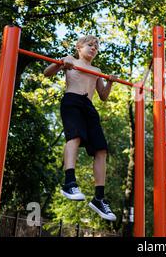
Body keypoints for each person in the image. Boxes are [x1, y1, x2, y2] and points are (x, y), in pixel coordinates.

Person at [43, 35, 117, 221]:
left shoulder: (96, 70)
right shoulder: (70, 60)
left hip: (89, 106)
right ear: (79, 47)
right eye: (89, 45)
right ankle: (69, 182)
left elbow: (103, 96)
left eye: (96, 46)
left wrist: (110, 82)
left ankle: (99, 198)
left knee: (101, 150)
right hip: (72, 101)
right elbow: (47, 72)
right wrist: (60, 64)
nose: (93, 48)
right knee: (74, 137)